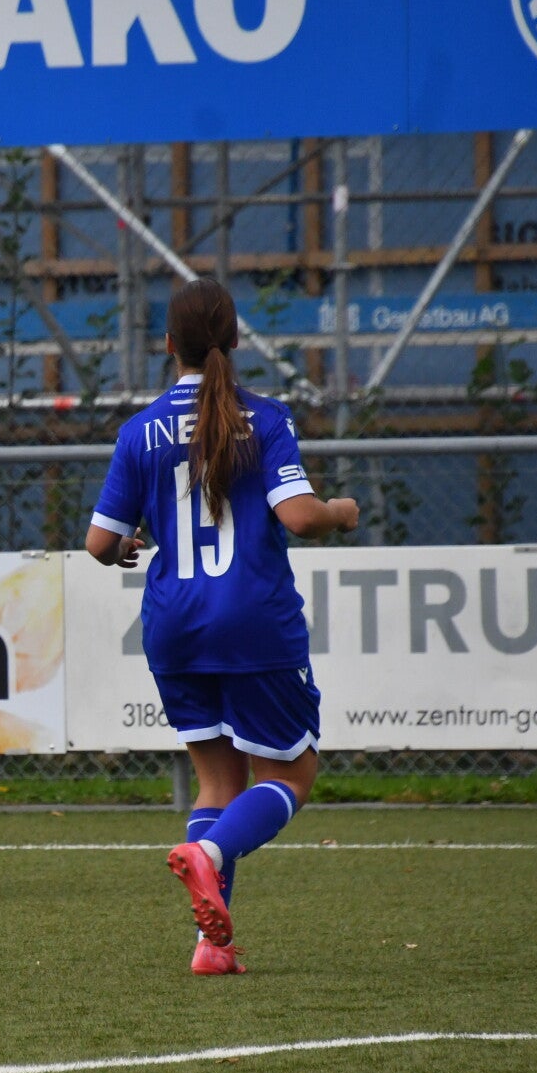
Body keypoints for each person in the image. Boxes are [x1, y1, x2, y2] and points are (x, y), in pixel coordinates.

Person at [86, 277, 357, 975]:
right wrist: (341, 512)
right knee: (292, 772)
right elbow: (300, 517)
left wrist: (125, 549)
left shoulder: (139, 431)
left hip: (173, 626)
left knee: (216, 784)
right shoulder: (263, 418)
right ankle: (209, 854)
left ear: (167, 344)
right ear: (235, 341)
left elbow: (98, 543)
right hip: (252, 621)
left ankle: (213, 946)